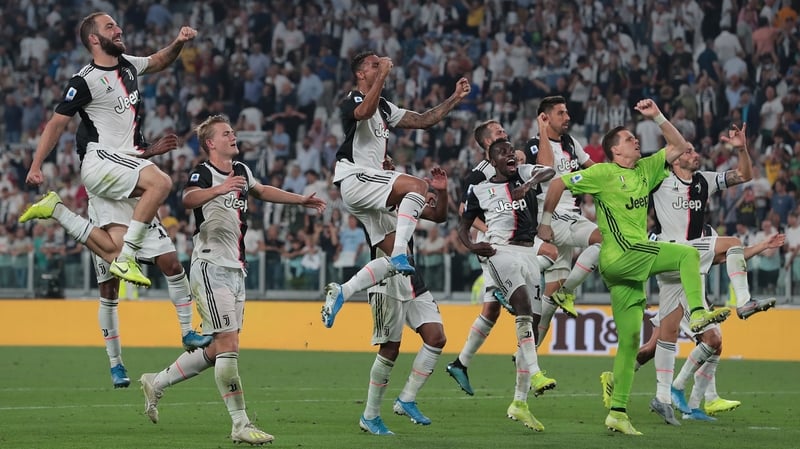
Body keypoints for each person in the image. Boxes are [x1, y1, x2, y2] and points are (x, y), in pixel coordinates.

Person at [537, 99, 731, 436]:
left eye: (635, 137)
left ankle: (618, 412)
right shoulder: (602, 173)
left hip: (627, 269)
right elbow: (557, 183)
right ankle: (698, 312)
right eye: (629, 139)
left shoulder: (646, 169)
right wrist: (545, 222)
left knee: (629, 341)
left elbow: (680, 145)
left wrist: (657, 116)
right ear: (615, 150)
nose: (636, 140)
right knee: (686, 255)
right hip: (622, 254)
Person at [138, 115, 325, 444]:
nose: (233, 136)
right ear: (211, 143)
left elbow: (262, 190)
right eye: (226, 133)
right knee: (229, 345)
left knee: (216, 349)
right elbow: (187, 198)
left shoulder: (241, 170)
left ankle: (157, 381)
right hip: (211, 266)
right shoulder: (203, 172)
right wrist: (220, 189)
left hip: (236, 269)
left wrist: (300, 200)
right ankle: (240, 424)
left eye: (233, 132)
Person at [21, 133, 212, 387]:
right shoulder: (93, 127)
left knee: (172, 264)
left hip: (135, 199)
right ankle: (116, 363)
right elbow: (99, 153)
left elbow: (132, 151)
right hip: (106, 197)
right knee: (109, 290)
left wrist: (150, 150)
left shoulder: (128, 120)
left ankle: (187, 331)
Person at [20, 12, 197, 287]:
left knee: (113, 255)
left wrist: (178, 42)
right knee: (161, 183)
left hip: (127, 165)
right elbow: (55, 124)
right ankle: (127, 257)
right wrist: (35, 165)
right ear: (94, 39)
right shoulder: (84, 81)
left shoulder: (127, 65)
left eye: (117, 25)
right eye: (110, 26)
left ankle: (59, 211)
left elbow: (158, 60)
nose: (119, 30)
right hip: (104, 162)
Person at [640, 124, 778, 424]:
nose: (695, 154)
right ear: (675, 157)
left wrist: (741, 149)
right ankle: (743, 302)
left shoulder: (705, 180)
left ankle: (670, 396)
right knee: (732, 243)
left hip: (690, 266)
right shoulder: (660, 179)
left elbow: (744, 175)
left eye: (694, 149)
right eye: (688, 151)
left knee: (677, 338)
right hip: (671, 255)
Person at [321, 50, 470, 328]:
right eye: (374, 65)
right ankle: (400, 252)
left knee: (398, 261)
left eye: (381, 64)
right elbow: (363, 112)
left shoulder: (385, 107)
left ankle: (343, 290)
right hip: (355, 177)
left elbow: (424, 120)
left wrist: (455, 98)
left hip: (372, 187)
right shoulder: (352, 99)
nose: (381, 67)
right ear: (360, 74)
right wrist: (383, 75)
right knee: (418, 185)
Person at [445, 120, 557, 397]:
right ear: (488, 149)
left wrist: (528, 184)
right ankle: (535, 373)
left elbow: (549, 171)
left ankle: (463, 364)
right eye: (499, 134)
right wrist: (480, 239)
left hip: (525, 250)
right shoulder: (478, 180)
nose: (505, 135)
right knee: (541, 269)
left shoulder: (520, 169)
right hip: (498, 247)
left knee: (500, 313)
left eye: (506, 136)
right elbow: (464, 214)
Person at [630, 232, 784, 422]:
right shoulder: (667, 231)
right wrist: (639, 290)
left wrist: (762, 246)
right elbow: (645, 258)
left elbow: (732, 253)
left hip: (697, 296)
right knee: (711, 340)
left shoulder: (708, 233)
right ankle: (678, 389)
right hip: (679, 295)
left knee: (709, 344)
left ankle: (699, 403)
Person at [358, 166, 449, 435]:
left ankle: (407, 399)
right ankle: (370, 415)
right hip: (386, 281)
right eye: (383, 165)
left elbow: (440, 216)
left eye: (390, 164)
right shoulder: (370, 205)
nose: (389, 167)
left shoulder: (405, 200)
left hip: (411, 277)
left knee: (436, 338)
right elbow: (387, 241)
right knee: (390, 349)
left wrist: (442, 193)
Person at [525, 96, 603, 342]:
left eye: (567, 112)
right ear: (545, 117)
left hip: (570, 215)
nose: (567, 117)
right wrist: (542, 130)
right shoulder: (533, 145)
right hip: (550, 216)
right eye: (560, 113)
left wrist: (614, 176)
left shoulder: (570, 142)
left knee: (550, 296)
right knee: (606, 239)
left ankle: (527, 354)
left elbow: (593, 169)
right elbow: (545, 168)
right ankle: (565, 290)